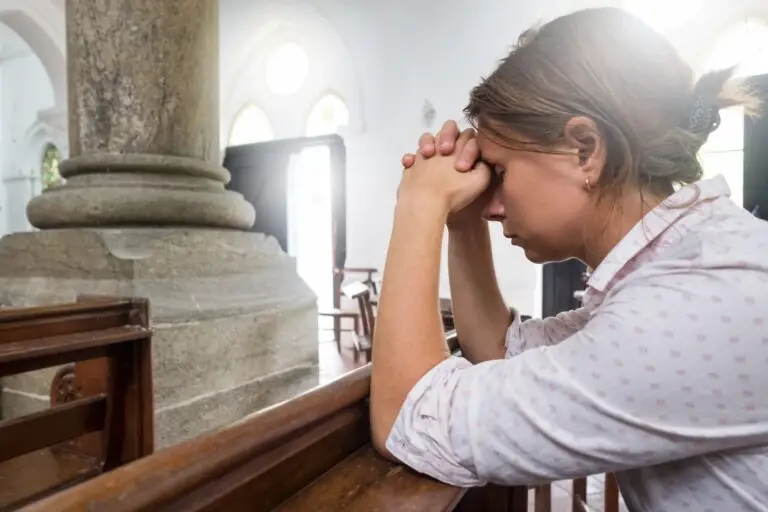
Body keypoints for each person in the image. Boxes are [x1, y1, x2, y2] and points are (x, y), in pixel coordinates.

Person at [369, 7, 768, 511]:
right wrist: (461, 221)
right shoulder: (681, 267)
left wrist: (418, 203)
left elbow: (409, 415)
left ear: (585, 150)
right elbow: (500, 348)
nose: (490, 203)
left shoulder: (702, 300)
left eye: (499, 171)